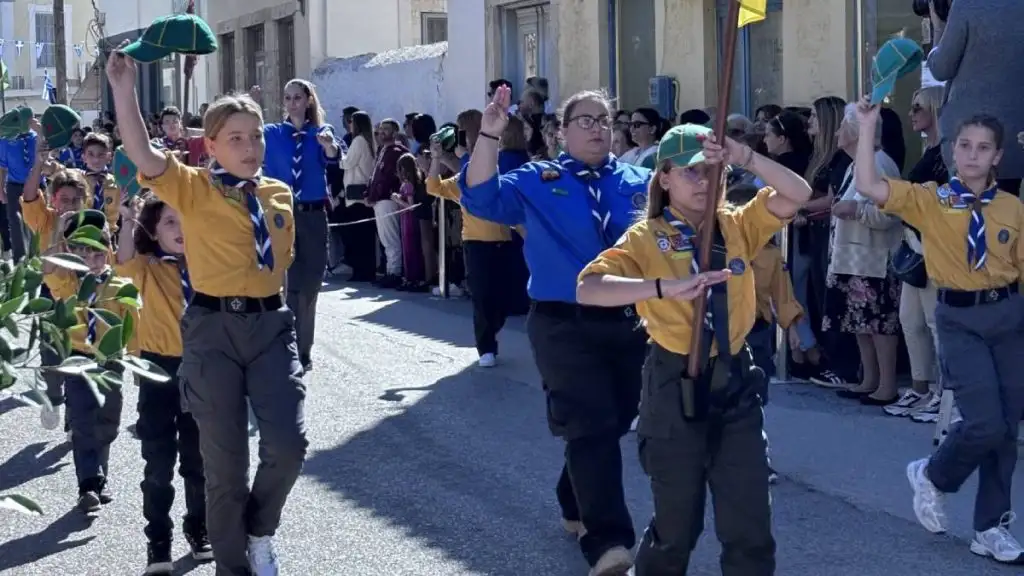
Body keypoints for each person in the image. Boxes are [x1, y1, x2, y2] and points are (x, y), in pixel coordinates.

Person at [577, 122, 811, 575]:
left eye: (711, 171)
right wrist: (662, 287)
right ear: (664, 178)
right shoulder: (647, 237)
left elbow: (797, 193)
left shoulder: (738, 224)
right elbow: (589, 288)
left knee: (750, 526)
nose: (704, 182)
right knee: (676, 529)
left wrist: (744, 156)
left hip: (736, 379)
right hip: (674, 380)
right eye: (690, 171)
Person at [108, 44, 308, 576]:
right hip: (212, 328)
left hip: (270, 327)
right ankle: (232, 566)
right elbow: (143, 153)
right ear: (212, 145)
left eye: (256, 136)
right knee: (224, 468)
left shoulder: (278, 194)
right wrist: (124, 90)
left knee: (288, 445)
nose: (249, 147)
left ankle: (259, 529)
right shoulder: (194, 188)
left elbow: (282, 268)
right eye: (235, 138)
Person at [461, 85, 649, 575]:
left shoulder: (641, 180)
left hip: (630, 319)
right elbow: (480, 197)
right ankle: (608, 543)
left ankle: (573, 495)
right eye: (585, 120)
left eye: (605, 120)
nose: (597, 129)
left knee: (617, 417)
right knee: (591, 422)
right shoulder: (538, 179)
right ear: (561, 132)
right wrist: (489, 136)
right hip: (564, 321)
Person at [853, 96, 1024, 564]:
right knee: (984, 422)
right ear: (952, 151)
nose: (972, 155)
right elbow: (868, 184)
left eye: (983, 148)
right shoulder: (932, 199)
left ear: (997, 156)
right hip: (959, 318)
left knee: (1005, 428)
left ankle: (991, 527)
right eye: (964, 145)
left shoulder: (1012, 207)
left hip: (1008, 315)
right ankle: (933, 475)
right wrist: (866, 127)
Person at [115, 196, 212, 573]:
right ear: (153, 232)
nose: (180, 229)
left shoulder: (207, 266)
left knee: (198, 459)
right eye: (170, 222)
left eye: (185, 220)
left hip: (201, 371)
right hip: (158, 370)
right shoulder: (147, 267)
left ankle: (198, 526)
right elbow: (123, 262)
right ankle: (158, 539)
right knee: (158, 462)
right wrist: (127, 221)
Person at [43, 208, 137, 514]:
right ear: (71, 252)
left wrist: (138, 362)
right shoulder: (68, 282)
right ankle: (88, 485)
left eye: (98, 252)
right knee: (83, 421)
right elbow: (48, 268)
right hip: (78, 358)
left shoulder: (120, 284)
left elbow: (132, 325)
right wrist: (58, 231)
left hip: (111, 361)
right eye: (83, 253)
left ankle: (100, 476)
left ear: (108, 250)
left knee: (108, 421)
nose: (91, 260)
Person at [263, 79, 340, 372]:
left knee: (311, 284)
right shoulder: (272, 133)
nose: (292, 103)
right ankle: (290, 348)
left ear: (308, 100)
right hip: (282, 215)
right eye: (287, 98)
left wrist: (328, 146)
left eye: (297, 97)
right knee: (289, 284)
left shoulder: (319, 132)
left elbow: (333, 155)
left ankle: (303, 347)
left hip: (312, 215)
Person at [927, 0, 1024, 195]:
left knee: (964, 210)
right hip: (1015, 140)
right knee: (1007, 209)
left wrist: (938, 29)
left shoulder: (967, 5)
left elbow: (941, 68)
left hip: (969, 142)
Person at [20, 151, 86, 433]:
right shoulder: (45, 219)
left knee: (78, 352)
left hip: (80, 295)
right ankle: (54, 397)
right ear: (53, 199)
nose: (69, 205)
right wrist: (38, 162)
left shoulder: (89, 221)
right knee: (50, 354)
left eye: (75, 200)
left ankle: (74, 413)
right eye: (64, 199)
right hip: (50, 293)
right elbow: (29, 195)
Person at [392, 153, 427, 291]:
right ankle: (410, 278)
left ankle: (413, 278)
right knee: (409, 249)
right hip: (406, 219)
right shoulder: (410, 184)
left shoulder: (407, 185)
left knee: (410, 249)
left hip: (409, 221)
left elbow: (411, 206)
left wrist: (398, 199)